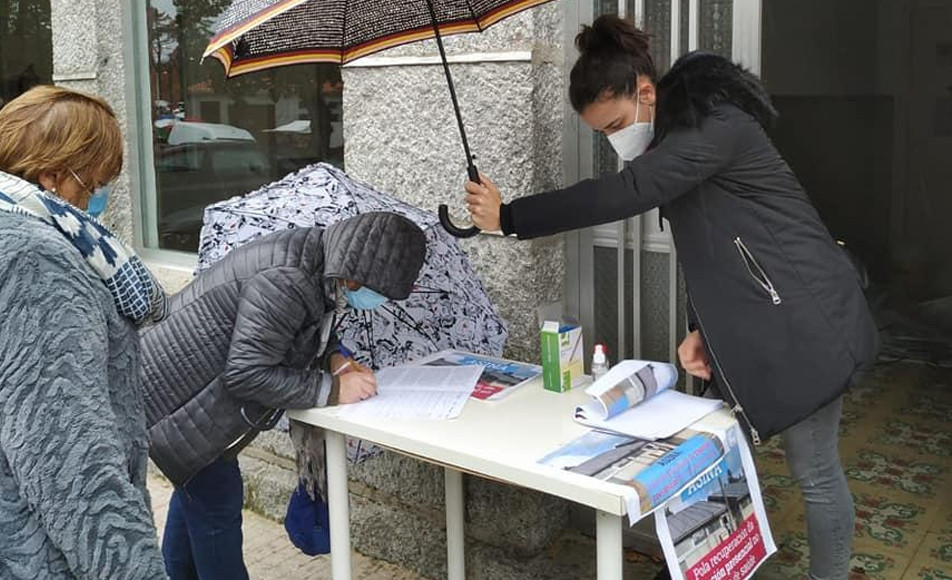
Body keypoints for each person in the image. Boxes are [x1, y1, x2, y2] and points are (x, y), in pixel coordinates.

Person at [464, 15, 878, 580]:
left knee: (816, 473)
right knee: (724, 459)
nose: (614, 140)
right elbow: (715, 249)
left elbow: (629, 191)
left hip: (806, 321)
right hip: (765, 321)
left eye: (614, 123)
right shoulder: (677, 139)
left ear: (646, 92)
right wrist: (703, 327)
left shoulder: (714, 124)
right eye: (601, 133)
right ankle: (714, 565)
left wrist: (511, 217)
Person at [140, 211, 427, 580]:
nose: (380, 301)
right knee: (216, 511)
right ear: (359, 277)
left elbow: (295, 329)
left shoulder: (320, 265)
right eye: (381, 292)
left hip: (186, 409)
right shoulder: (288, 280)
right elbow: (246, 373)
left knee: (195, 509)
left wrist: (336, 358)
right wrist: (335, 389)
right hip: (180, 410)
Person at [0, 86, 168, 577]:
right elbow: (69, 459)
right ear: (52, 174)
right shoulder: (36, 260)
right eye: (93, 182)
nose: (98, 197)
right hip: (39, 553)